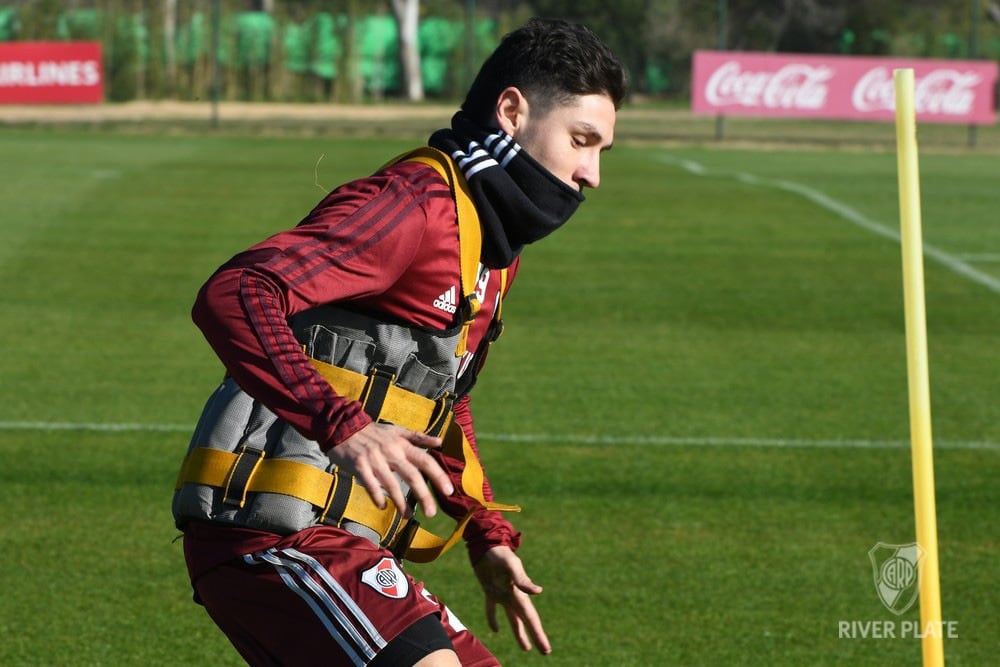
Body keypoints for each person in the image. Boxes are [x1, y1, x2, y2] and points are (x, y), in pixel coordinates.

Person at [172, 16, 627, 667]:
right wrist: (342, 424)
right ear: (512, 113)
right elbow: (237, 290)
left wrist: (486, 533)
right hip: (270, 535)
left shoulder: (491, 248)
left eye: (602, 150)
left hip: (344, 545)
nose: (592, 173)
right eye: (581, 140)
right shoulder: (416, 206)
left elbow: (442, 402)